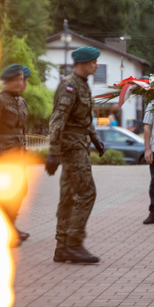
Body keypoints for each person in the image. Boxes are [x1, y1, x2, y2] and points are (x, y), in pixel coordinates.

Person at [46, 46, 107, 263]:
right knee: (86, 193)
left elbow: (84, 120)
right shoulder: (69, 85)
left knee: (69, 196)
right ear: (82, 63)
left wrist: (96, 139)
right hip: (72, 148)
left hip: (79, 143)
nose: (96, 65)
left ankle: (62, 246)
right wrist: (53, 153)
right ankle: (73, 243)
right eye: (93, 62)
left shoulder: (81, 85)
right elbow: (58, 119)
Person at [0, 64, 32, 245]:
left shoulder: (20, 101)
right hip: (5, 154)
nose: (22, 83)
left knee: (21, 190)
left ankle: (10, 225)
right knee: (6, 193)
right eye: (19, 80)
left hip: (18, 153)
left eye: (22, 80)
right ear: (10, 82)